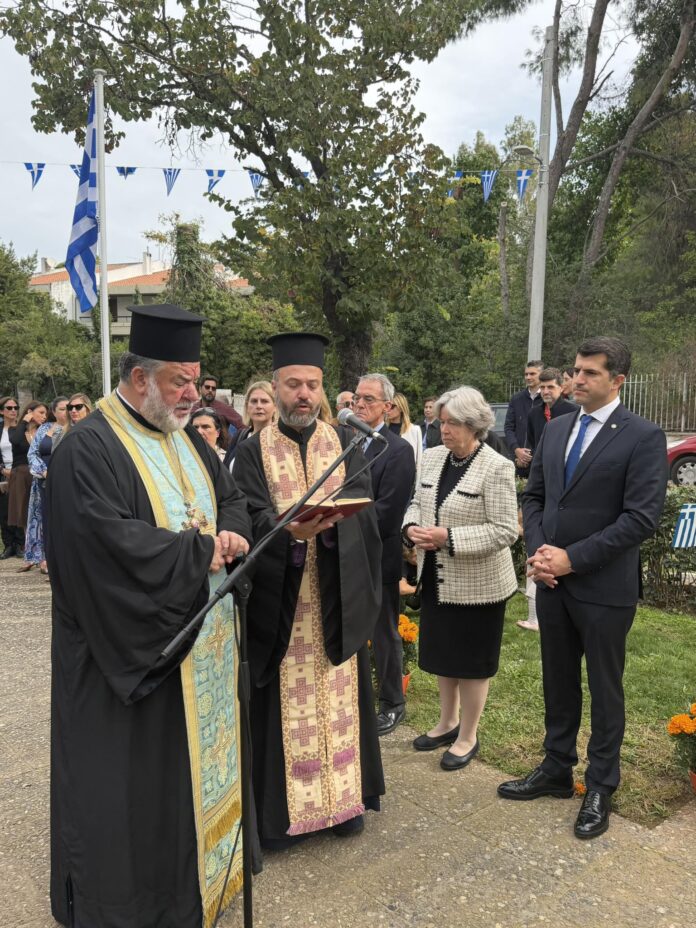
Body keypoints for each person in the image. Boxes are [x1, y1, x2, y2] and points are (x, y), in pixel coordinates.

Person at [45, 304, 253, 928]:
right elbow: (105, 549)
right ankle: (140, 904)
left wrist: (235, 537)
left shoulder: (188, 438)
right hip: (131, 653)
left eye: (196, 380)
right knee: (130, 792)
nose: (195, 393)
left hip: (200, 642)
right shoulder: (88, 449)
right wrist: (200, 551)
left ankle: (197, 883)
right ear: (139, 379)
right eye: (179, 382)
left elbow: (232, 499)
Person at [498, 337, 668, 840]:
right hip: (551, 581)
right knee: (558, 680)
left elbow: (640, 518)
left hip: (603, 586)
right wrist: (543, 551)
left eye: (590, 373)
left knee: (604, 686)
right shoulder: (557, 430)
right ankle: (556, 768)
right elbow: (535, 497)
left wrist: (573, 558)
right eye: (575, 371)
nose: (576, 380)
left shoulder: (642, 435)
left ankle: (600, 784)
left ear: (618, 380)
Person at [232, 332, 384, 851]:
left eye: (312, 385)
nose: (303, 394)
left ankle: (344, 802)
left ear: (323, 390)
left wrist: (336, 526)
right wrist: (287, 536)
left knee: (341, 695)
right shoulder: (251, 452)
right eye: (293, 384)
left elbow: (367, 512)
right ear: (274, 389)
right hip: (285, 601)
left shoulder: (341, 443)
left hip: (334, 595)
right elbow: (248, 516)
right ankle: (283, 816)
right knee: (282, 706)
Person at [403, 386, 518, 770]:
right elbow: (417, 503)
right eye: (441, 422)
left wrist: (447, 538)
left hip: (480, 586)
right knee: (443, 657)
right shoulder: (432, 458)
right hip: (436, 577)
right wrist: (412, 530)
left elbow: (505, 531)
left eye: (452, 423)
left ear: (474, 425)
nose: (444, 429)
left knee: (471, 662)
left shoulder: (496, 467)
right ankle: (447, 722)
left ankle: (468, 734)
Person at [353, 373, 416, 735]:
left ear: (388, 407)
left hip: (378, 554)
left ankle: (392, 701)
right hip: (342, 552)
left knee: (384, 630)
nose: (359, 405)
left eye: (369, 400)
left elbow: (389, 512)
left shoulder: (397, 450)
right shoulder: (345, 442)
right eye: (356, 399)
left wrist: (341, 526)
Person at [21, 397, 69, 575]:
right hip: (43, 481)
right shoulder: (44, 428)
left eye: (69, 408)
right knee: (44, 519)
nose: (67, 411)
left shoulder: (76, 429)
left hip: (66, 480)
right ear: (54, 412)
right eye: (62, 409)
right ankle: (44, 558)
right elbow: (32, 454)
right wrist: (43, 471)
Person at [8, 401, 48, 546]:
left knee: (42, 512)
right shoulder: (15, 430)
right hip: (21, 474)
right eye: (41, 413)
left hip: (39, 473)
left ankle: (43, 552)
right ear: (30, 412)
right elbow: (15, 441)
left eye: (46, 413)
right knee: (25, 513)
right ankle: (30, 551)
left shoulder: (45, 431)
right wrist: (24, 421)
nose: (44, 416)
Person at [504, 360, 543, 477]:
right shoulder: (517, 399)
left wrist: (531, 455)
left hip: (540, 462)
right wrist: (517, 450)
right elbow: (509, 427)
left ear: (541, 374)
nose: (528, 377)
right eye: (526, 374)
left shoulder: (547, 399)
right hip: (518, 462)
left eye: (532, 374)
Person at [224, 380, 275, 469]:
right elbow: (224, 472)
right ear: (247, 406)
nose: (259, 406)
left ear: (275, 406)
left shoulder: (282, 440)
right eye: (254, 401)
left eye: (264, 401)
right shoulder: (240, 436)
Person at [526, 368, 577, 456]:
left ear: (561, 388)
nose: (545, 392)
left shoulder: (574, 411)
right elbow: (533, 443)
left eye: (550, 387)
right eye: (542, 387)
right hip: (541, 466)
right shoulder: (533, 413)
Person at [0, 396, 22, 558]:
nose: (13, 410)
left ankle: (20, 544)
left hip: (20, 472)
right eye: (9, 408)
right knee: (4, 509)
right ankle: (8, 545)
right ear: (2, 411)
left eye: (15, 407)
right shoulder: (1, 429)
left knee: (19, 509)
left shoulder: (22, 428)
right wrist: (2, 470)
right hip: (3, 474)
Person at [386, 392, 423, 472]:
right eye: (387, 406)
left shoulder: (414, 430)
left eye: (392, 406)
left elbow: (418, 461)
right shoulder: (383, 428)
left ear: (401, 408)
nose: (388, 410)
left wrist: (417, 483)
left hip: (404, 475)